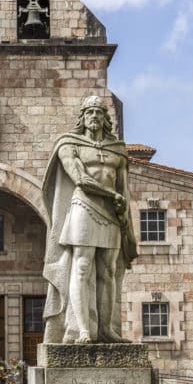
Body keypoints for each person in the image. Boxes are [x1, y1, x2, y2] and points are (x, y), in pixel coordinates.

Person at [42, 95, 137, 344]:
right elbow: (80, 178)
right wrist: (112, 194)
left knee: (107, 271)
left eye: (98, 112)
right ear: (82, 117)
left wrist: (126, 216)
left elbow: (124, 188)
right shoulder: (69, 144)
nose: (94, 116)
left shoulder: (118, 150)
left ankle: (106, 330)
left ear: (106, 119)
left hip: (112, 213)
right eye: (89, 112)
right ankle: (82, 330)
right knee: (82, 267)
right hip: (84, 207)